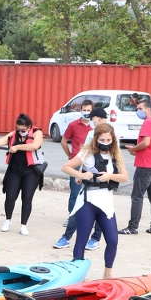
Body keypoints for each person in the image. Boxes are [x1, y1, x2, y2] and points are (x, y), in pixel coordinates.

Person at [62, 122, 128, 279]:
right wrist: (82, 175)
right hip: (88, 201)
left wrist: (110, 176)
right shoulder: (87, 152)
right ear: (96, 139)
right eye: (102, 140)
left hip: (106, 202)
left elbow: (124, 176)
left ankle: (108, 273)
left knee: (112, 240)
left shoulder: (115, 154)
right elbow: (66, 167)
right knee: (82, 239)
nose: (106, 143)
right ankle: (79, 275)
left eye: (108, 140)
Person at [0, 114, 44, 235]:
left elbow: (34, 146)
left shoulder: (37, 133)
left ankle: (23, 225)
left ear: (29, 127)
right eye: (18, 129)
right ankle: (8, 220)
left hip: (31, 171)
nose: (20, 132)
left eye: (23, 130)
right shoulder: (13, 134)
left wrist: (17, 147)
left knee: (26, 198)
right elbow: (0, 141)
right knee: (10, 196)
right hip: (15, 170)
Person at [56, 105, 103, 250]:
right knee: (77, 206)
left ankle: (95, 239)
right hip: (87, 176)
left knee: (100, 210)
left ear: (99, 118)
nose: (92, 121)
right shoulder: (91, 133)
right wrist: (80, 173)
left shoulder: (111, 134)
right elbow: (85, 154)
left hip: (103, 179)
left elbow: (116, 159)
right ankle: (66, 237)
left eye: (93, 118)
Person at [120, 97, 151, 235]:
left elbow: (146, 143)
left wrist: (134, 149)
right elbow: (150, 145)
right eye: (137, 109)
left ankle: (132, 227)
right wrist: (137, 150)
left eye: (140, 109)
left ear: (148, 109)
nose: (138, 111)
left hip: (146, 165)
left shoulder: (148, 122)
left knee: (137, 196)